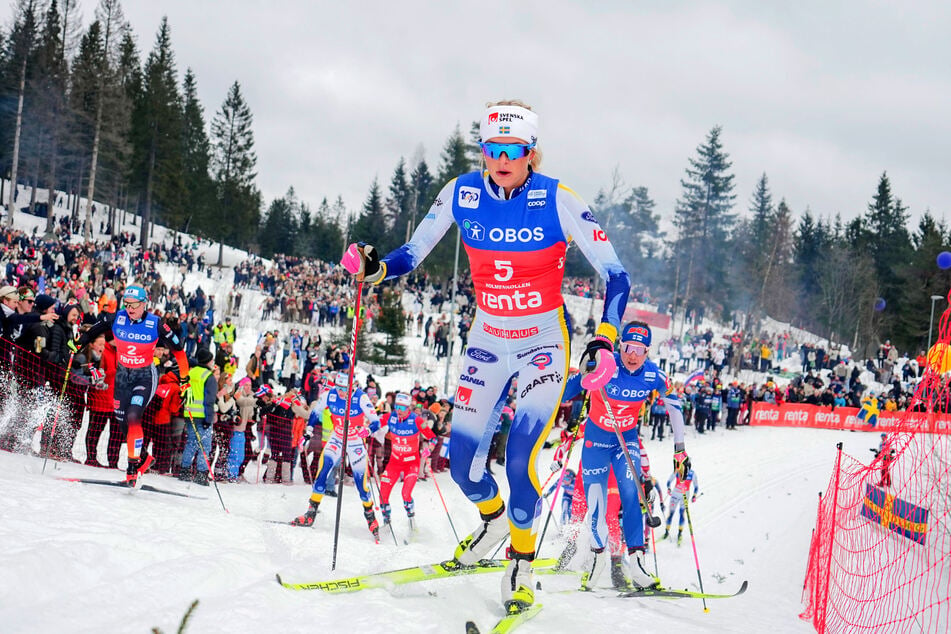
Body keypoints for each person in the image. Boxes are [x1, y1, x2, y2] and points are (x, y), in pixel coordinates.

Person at [340, 100, 631, 610]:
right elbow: (412, 253)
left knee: (520, 458)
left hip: (543, 338)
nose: (499, 158)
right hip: (489, 337)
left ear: (530, 154)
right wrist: (374, 269)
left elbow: (617, 274)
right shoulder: (462, 193)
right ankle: (495, 519)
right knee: (461, 466)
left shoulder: (557, 199)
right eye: (491, 149)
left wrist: (604, 337)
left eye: (511, 150)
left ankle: (520, 564)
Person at [562, 321, 688, 591]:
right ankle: (597, 558)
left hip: (625, 441)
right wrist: (586, 369)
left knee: (631, 493)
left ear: (648, 351)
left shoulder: (654, 375)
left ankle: (638, 563)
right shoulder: (607, 365)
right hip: (596, 441)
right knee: (595, 502)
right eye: (629, 347)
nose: (633, 355)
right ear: (620, 345)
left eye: (640, 350)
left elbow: (675, 408)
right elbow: (567, 390)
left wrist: (680, 450)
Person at [71, 285, 189, 486]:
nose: (130, 309)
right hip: (123, 376)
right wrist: (77, 342)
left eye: (134, 305)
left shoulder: (156, 324)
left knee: (134, 415)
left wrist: (185, 380)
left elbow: (179, 350)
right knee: (122, 421)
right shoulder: (117, 318)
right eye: (126, 305)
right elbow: (93, 331)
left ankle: (132, 468)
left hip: (144, 375)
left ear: (144, 304)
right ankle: (142, 457)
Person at [292, 371, 386, 542]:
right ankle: (311, 513)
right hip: (337, 437)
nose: (342, 392)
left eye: (345, 389)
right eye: (339, 388)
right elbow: (315, 413)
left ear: (352, 387)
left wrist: (367, 430)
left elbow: (376, 422)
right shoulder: (329, 395)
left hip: (355, 441)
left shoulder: (361, 398)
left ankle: (371, 518)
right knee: (323, 471)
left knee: (361, 484)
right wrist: (308, 432)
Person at [377, 392, 436, 530]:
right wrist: (366, 429)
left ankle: (411, 521)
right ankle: (386, 523)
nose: (399, 410)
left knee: (405, 493)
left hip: (411, 463)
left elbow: (432, 438)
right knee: (383, 493)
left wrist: (429, 449)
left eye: (403, 408)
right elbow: (375, 423)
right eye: (397, 406)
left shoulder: (417, 420)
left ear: (409, 408)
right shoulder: (391, 417)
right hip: (394, 462)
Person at [664, 466, 700, 546]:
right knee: (671, 513)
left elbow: (696, 486)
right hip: (675, 494)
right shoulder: (677, 470)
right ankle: (666, 531)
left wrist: (694, 496)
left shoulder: (692, 473)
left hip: (684, 496)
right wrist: (669, 488)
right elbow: (669, 481)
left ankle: (680, 533)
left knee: (682, 514)